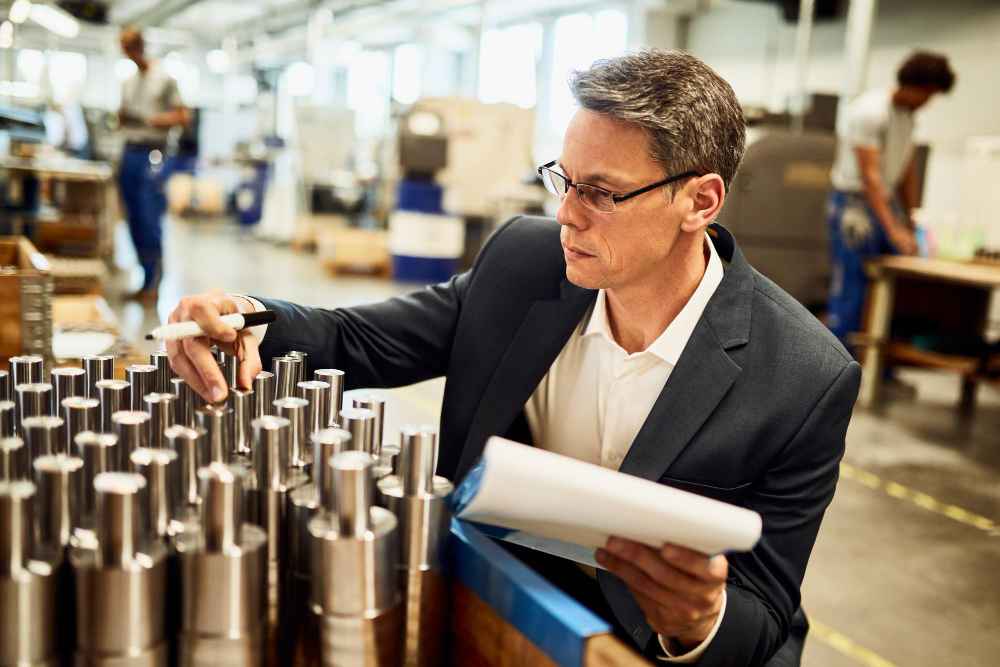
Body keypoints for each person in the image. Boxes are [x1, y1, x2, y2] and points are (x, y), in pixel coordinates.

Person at [167, 50, 860, 666]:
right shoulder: (526, 264)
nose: (567, 214)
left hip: (645, 646)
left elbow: (765, 614)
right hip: (497, 593)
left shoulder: (802, 376)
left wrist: (699, 621)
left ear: (700, 200)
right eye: (564, 179)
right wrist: (240, 315)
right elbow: (357, 340)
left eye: (601, 192)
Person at [827, 51, 955, 348]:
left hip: (882, 202)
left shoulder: (908, 116)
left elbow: (906, 169)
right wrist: (893, 229)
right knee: (852, 288)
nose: (929, 101)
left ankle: (878, 368)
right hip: (854, 205)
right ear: (915, 86)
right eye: (928, 93)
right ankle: (836, 370)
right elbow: (870, 176)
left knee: (889, 288)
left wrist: (909, 217)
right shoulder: (871, 112)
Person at [117, 26, 191, 302]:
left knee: (149, 217)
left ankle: (154, 281)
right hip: (130, 152)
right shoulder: (128, 81)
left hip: (153, 153)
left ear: (139, 46)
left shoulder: (165, 79)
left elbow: (183, 117)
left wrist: (153, 120)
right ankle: (144, 278)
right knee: (133, 219)